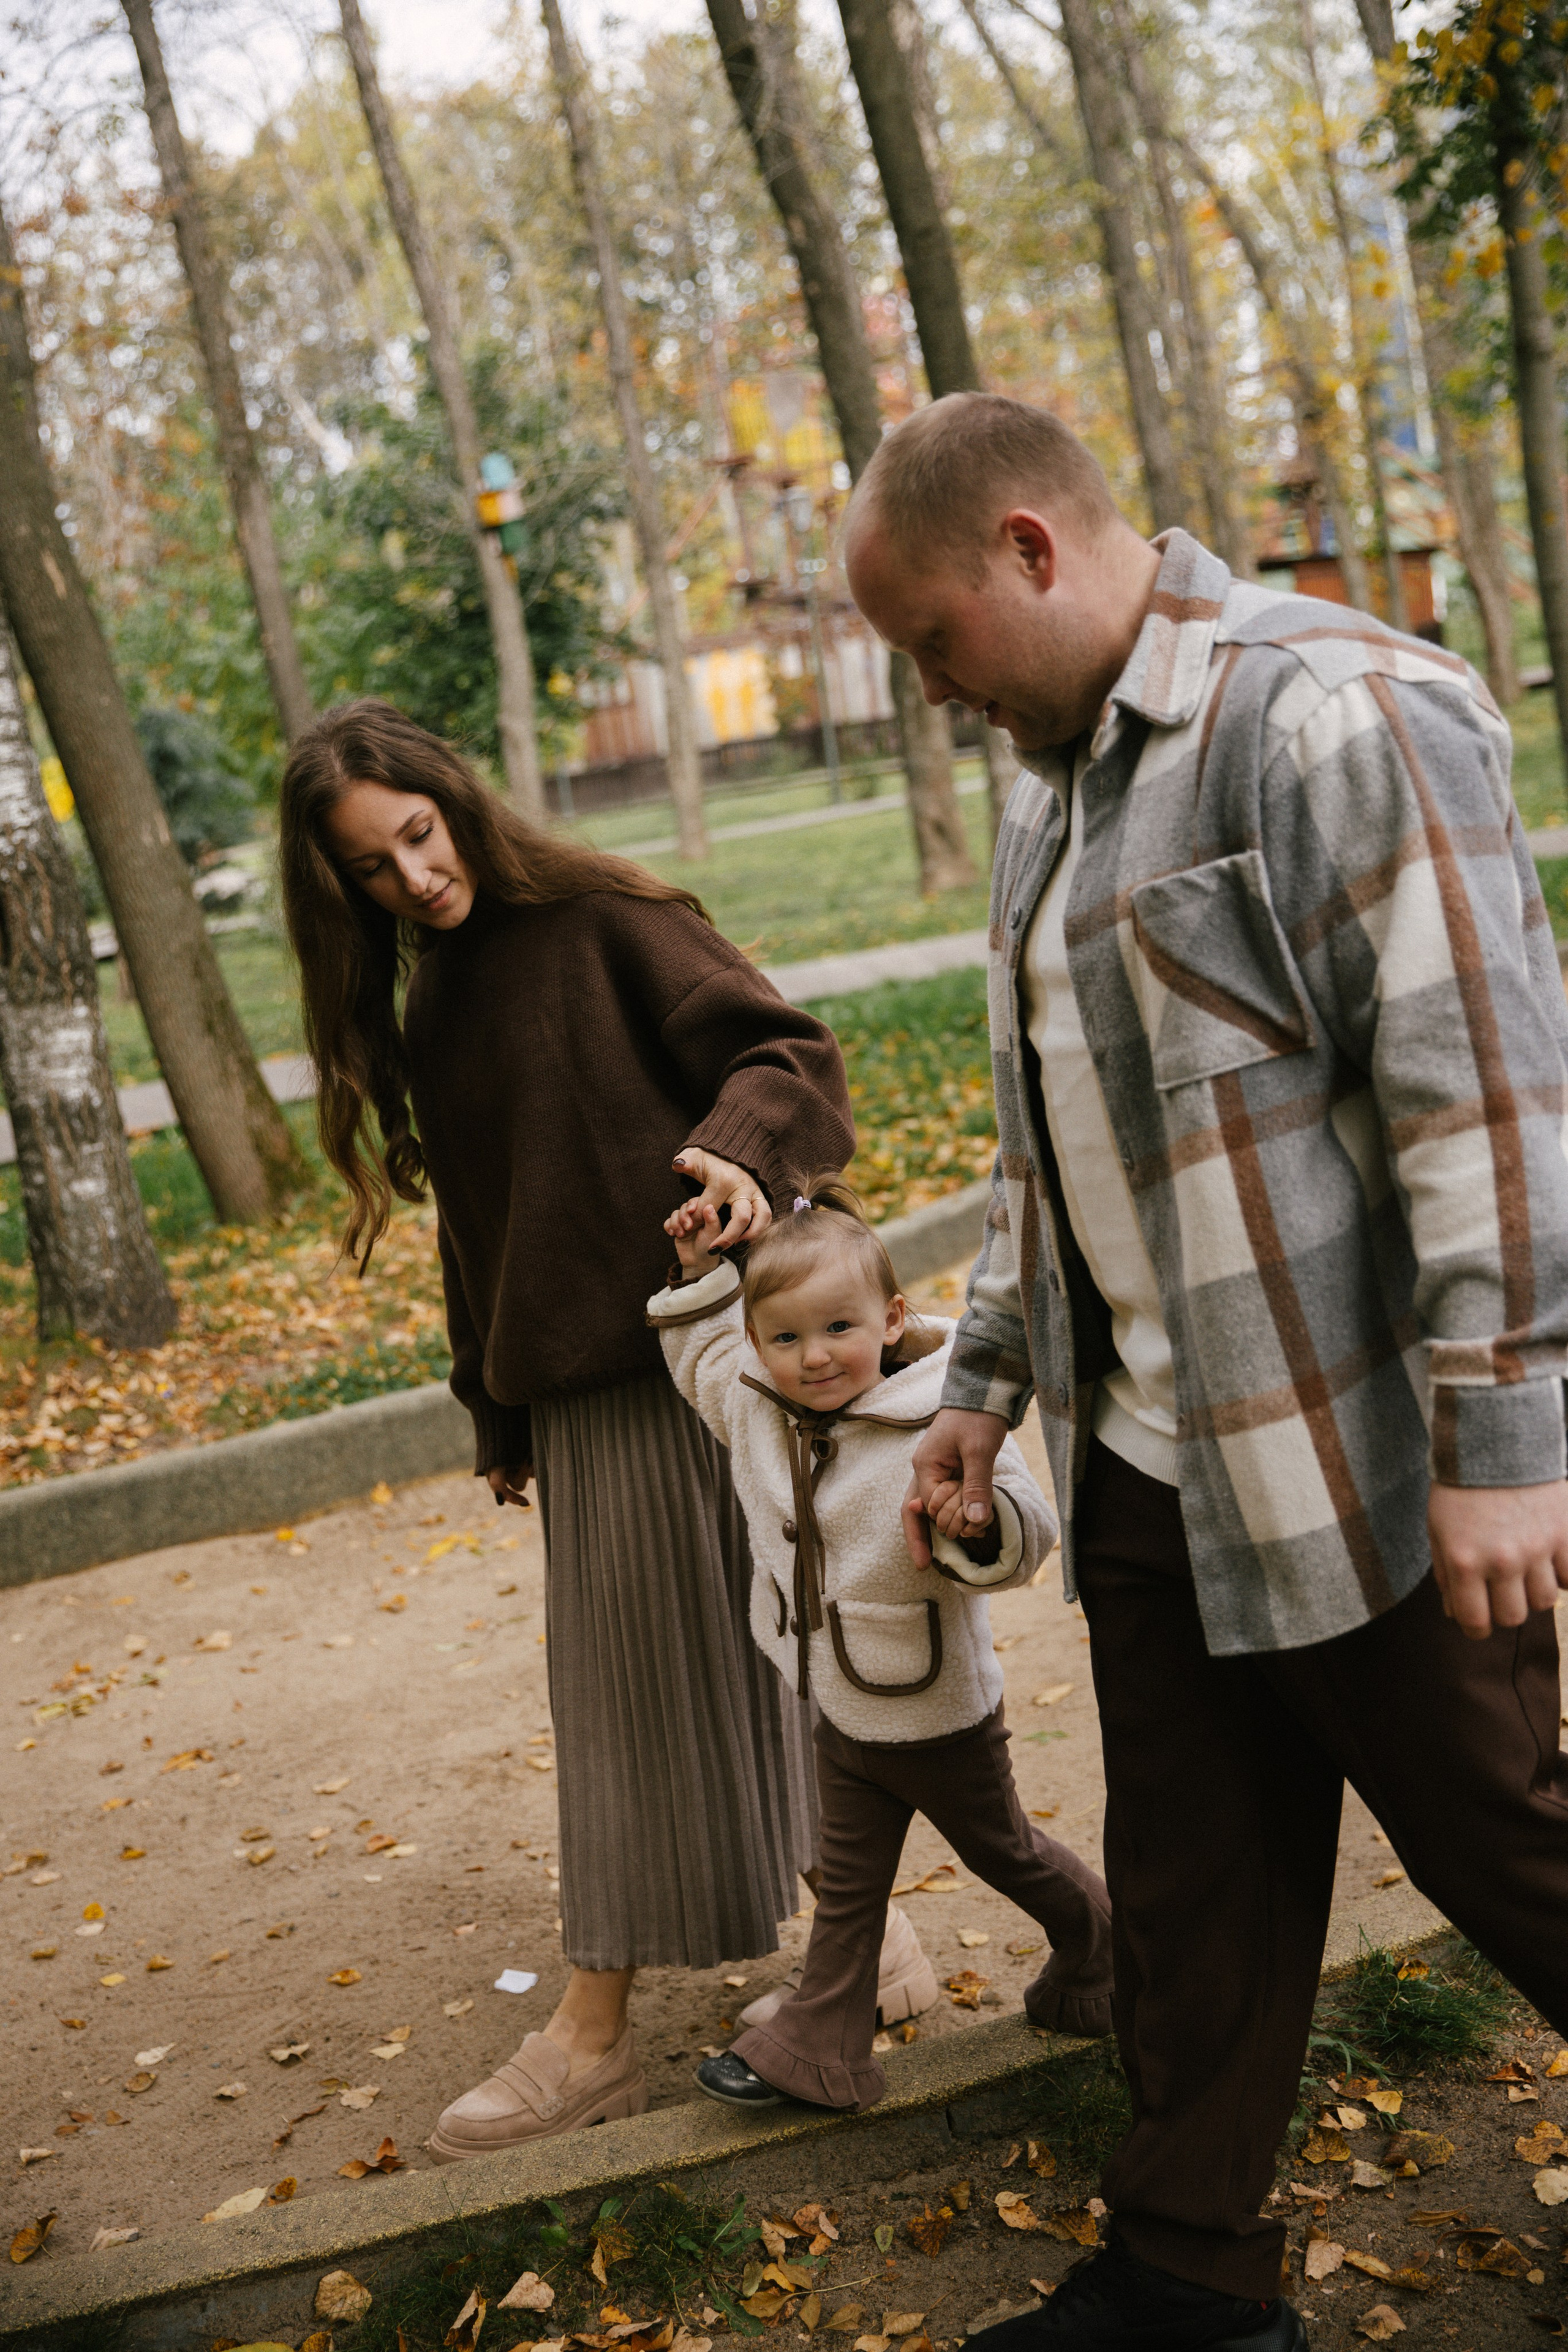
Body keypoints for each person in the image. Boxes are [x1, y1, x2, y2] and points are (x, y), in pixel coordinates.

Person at [842, 393, 1568, 2352]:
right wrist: (986, 1373)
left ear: (1027, 546)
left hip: (1367, 1465)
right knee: (1196, 1891)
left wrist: (1506, 1434)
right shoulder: (1051, 783)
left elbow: (1485, 1098)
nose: (935, 691)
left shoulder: (1333, 713)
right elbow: (1060, 1138)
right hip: (1156, 1471)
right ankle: (1189, 2281)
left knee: (1518, 1847)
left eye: (932, 641)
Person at [277, 699, 935, 2158]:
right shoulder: (431, 1002)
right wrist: (493, 1403)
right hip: (585, 1388)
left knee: (772, 1654)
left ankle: (738, 1983)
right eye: (371, 870)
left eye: (418, 837)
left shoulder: (598, 918)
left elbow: (787, 1054)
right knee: (658, 1681)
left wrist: (736, 1151)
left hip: (721, 1353)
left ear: (453, 801)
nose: (413, 880)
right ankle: (715, 1987)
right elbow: (480, 1223)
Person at [645, 1174, 1112, 2113]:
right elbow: (702, 1361)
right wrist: (700, 1273)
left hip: (933, 1711)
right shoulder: (757, 1403)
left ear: (891, 1318)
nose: (813, 1358)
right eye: (785, 1337)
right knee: (851, 1889)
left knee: (1005, 1853)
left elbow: (1023, 1531)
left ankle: (1112, 1950)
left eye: (838, 1331)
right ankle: (821, 2047)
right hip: (837, 1699)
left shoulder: (944, 1414)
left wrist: (968, 1524)